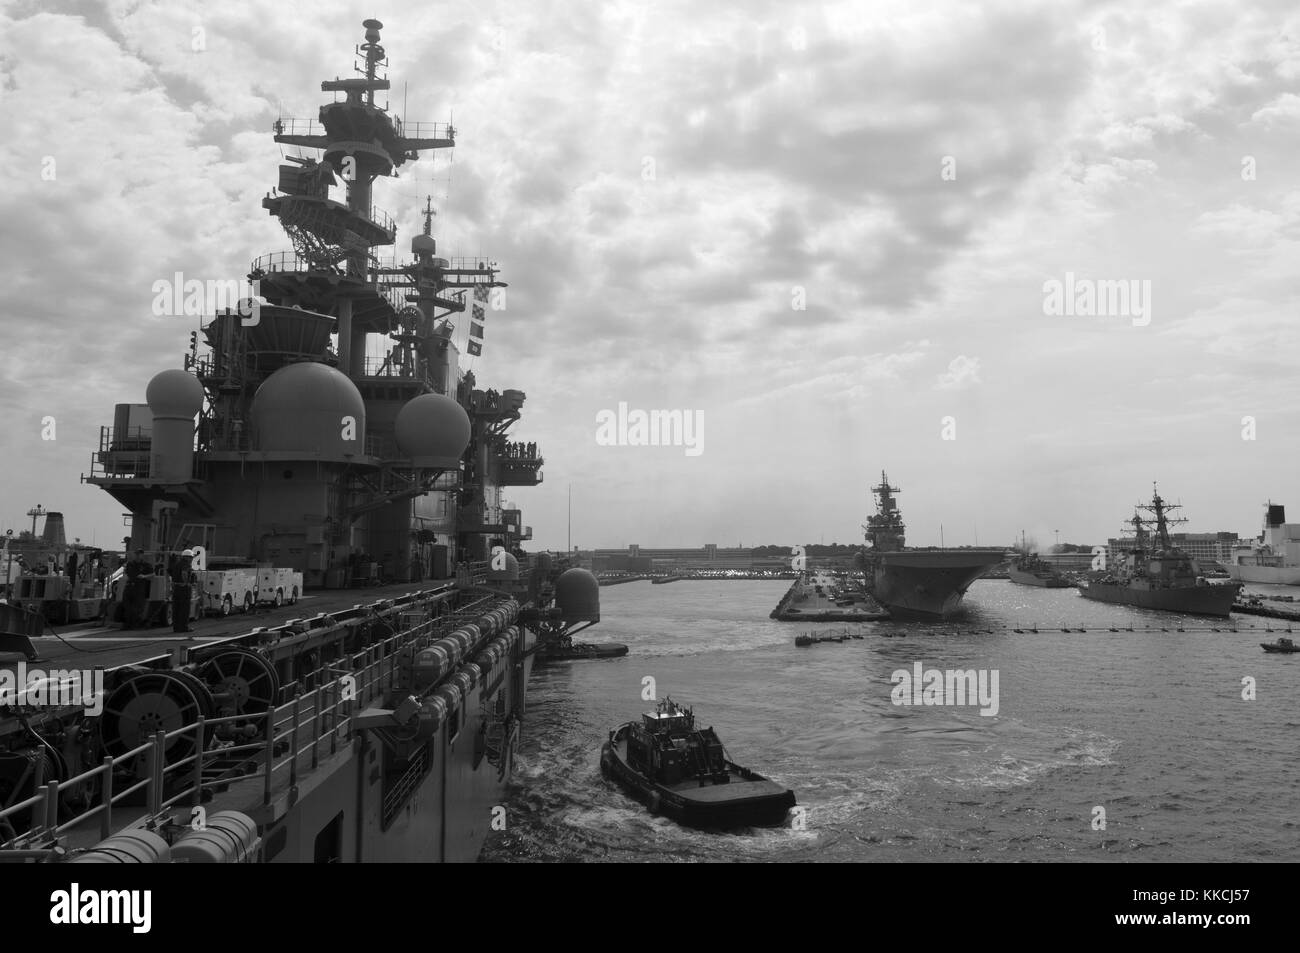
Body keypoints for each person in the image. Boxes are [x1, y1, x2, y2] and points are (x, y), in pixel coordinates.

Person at [171, 550, 195, 633]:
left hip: (176, 588)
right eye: (191, 557)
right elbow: (184, 573)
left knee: (176, 608)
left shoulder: (177, 564)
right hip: (184, 588)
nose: (192, 559)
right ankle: (184, 627)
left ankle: (176, 627)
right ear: (187, 557)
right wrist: (187, 583)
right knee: (184, 609)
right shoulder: (186, 564)